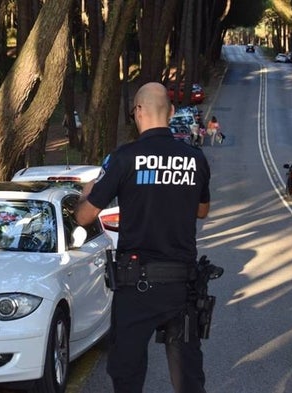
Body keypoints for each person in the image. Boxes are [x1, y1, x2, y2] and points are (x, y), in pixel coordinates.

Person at [74, 82, 211, 393]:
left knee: (127, 375)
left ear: (137, 112)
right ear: (172, 112)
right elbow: (202, 210)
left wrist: (88, 192)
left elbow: (84, 216)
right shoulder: (194, 158)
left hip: (136, 287)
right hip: (182, 285)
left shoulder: (124, 158)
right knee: (188, 378)